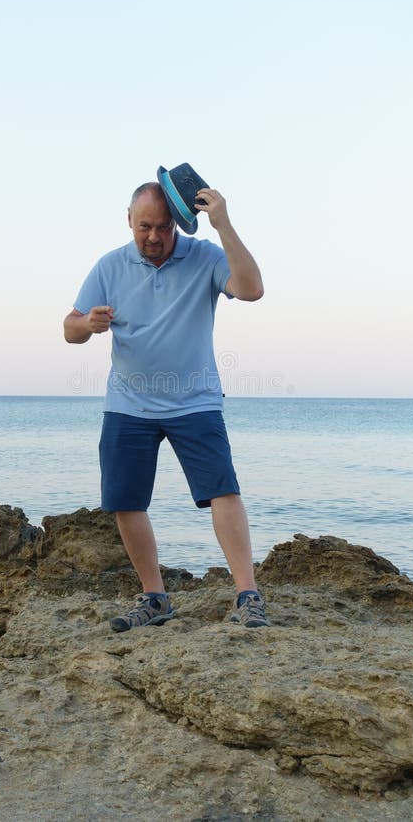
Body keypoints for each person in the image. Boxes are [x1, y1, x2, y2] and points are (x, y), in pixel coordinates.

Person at [63, 173, 271, 630]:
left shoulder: (205, 257)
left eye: (163, 227)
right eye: (144, 227)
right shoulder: (109, 266)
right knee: (125, 500)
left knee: (223, 490)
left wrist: (223, 225)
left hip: (195, 401)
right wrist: (89, 324)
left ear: (177, 223)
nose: (154, 237)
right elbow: (69, 329)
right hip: (128, 404)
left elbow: (252, 289)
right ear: (129, 221)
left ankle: (248, 595)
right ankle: (155, 598)